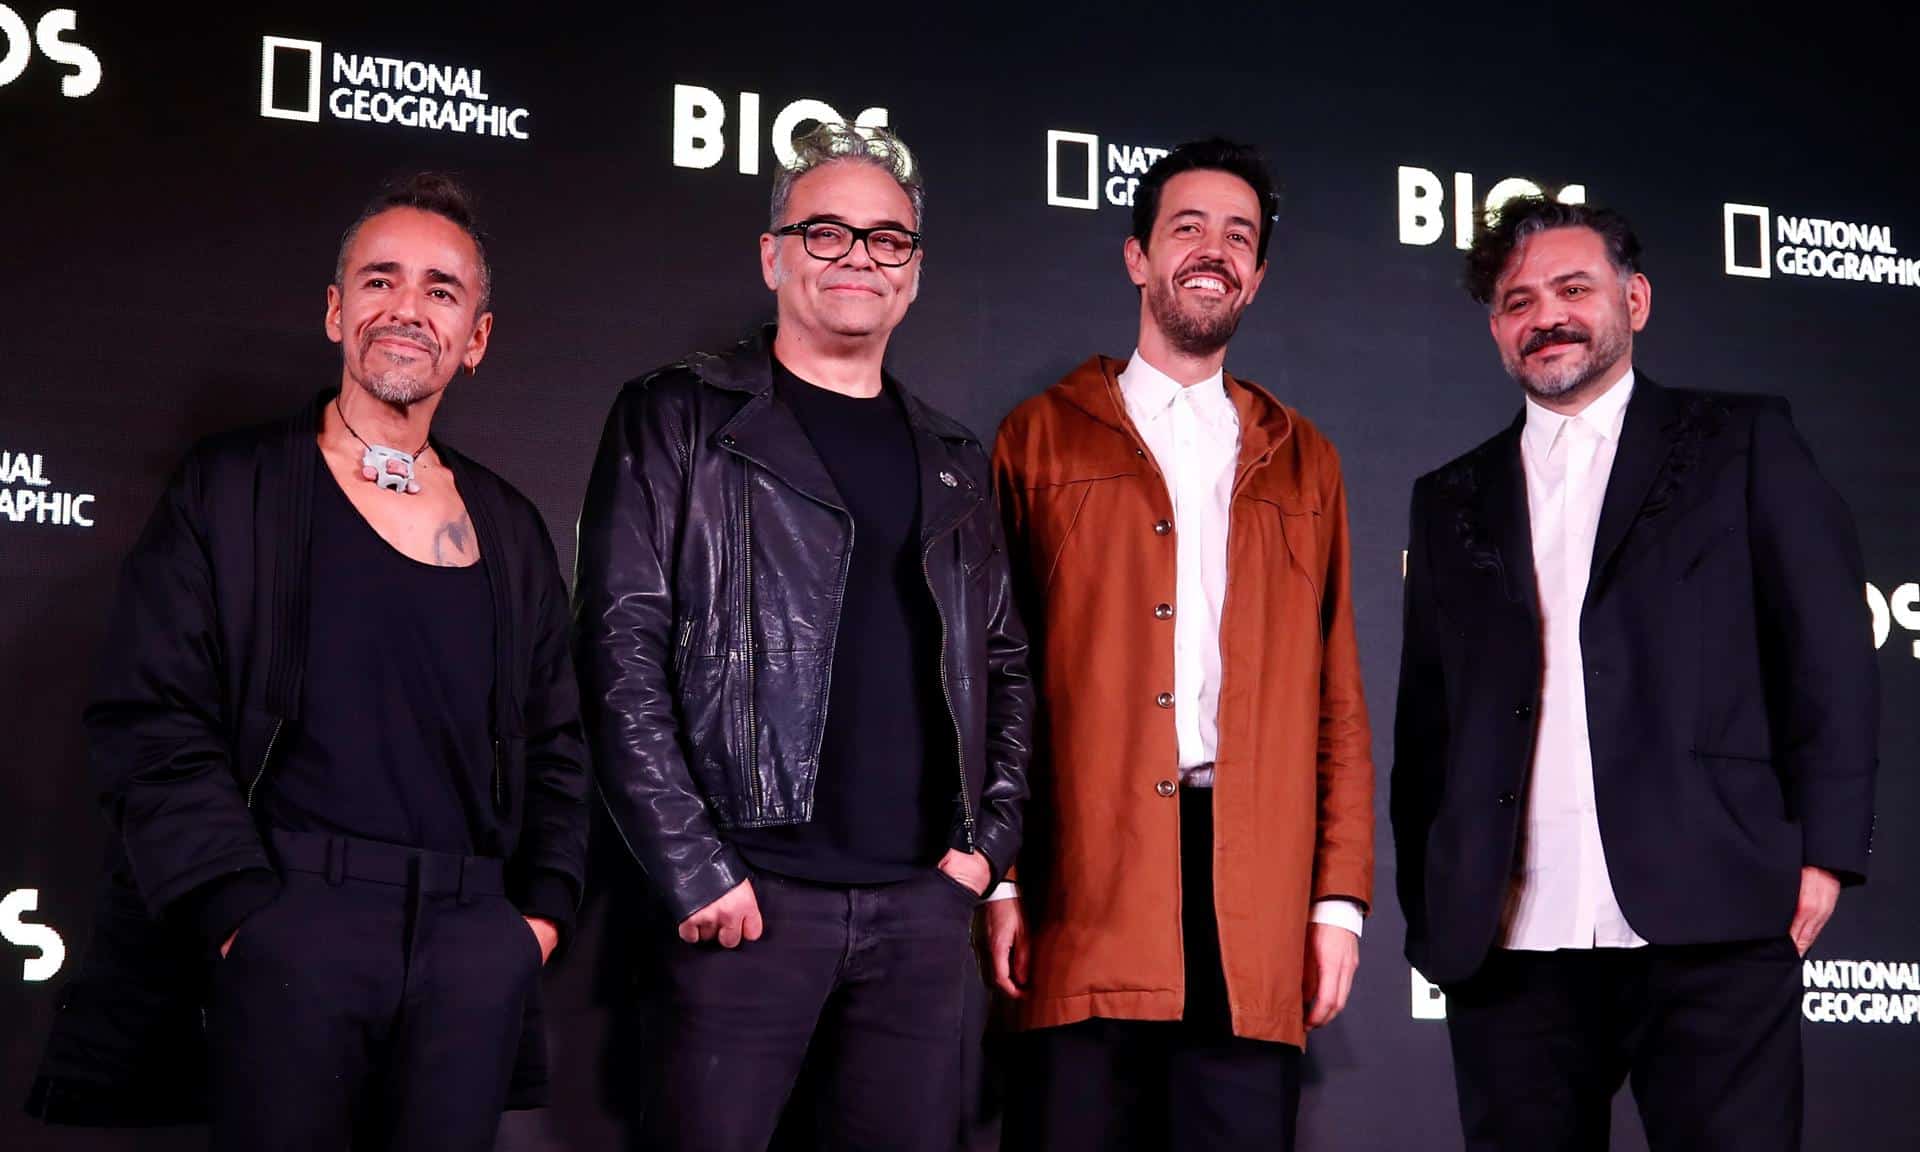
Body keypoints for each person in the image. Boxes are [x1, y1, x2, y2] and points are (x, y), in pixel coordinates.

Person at [29, 173, 591, 1150]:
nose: (407, 308)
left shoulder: (510, 528)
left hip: (473, 942)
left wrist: (533, 920)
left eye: (441, 290)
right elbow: (150, 716)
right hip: (287, 922)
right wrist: (240, 913)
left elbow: (560, 749)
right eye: (380, 280)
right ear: (336, 311)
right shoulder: (231, 490)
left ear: (476, 338)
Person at [573, 122, 1033, 1152]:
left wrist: (983, 849)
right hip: (745, 899)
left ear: (914, 272)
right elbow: (618, 650)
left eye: (887, 238)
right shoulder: (677, 416)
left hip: (918, 911)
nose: (858, 257)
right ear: (772, 255)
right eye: (826, 232)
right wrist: (695, 866)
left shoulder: (956, 458)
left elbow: (1004, 665)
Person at [1392, 195, 1879, 1151]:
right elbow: (1428, 721)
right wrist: (1434, 896)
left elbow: (1828, 654)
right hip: (1508, 944)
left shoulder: (1742, 441)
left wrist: (1825, 853)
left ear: (1635, 300)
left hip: (1713, 918)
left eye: (1573, 289)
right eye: (1519, 301)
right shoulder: (1448, 497)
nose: (1547, 316)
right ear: (1496, 328)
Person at [988, 138, 1375, 1152]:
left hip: (1255, 890)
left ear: (1259, 273)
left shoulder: (1308, 459)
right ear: (1137, 256)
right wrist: (1004, 876)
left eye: (1238, 236)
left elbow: (1337, 693)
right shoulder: (1037, 437)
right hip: (1084, 879)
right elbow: (994, 677)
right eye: (1188, 228)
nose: (1214, 251)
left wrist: (1338, 901)